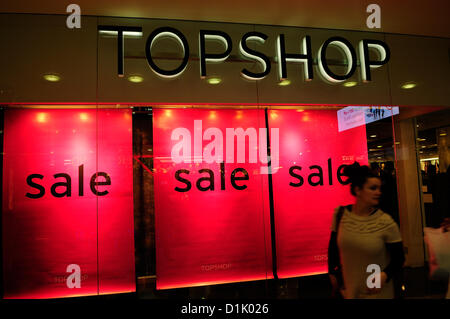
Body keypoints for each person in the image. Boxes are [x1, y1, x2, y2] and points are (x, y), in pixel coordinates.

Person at [328, 162, 405, 299]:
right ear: (358, 190)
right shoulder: (340, 215)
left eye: (379, 188)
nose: (378, 192)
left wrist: (384, 275)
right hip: (350, 292)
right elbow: (333, 248)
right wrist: (334, 275)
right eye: (373, 188)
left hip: (376, 293)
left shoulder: (385, 222)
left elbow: (399, 258)